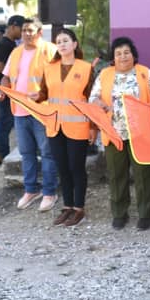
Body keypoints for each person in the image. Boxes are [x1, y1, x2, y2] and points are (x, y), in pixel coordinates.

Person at [91, 36, 150, 230]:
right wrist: (99, 103)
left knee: (144, 175)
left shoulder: (145, 73)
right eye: (118, 53)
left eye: (126, 52)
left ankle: (145, 215)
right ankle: (119, 213)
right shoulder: (104, 74)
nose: (123, 56)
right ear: (113, 57)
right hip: (114, 133)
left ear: (133, 54)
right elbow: (93, 97)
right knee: (116, 175)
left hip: (141, 133)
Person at [36, 28, 95, 227]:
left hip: (78, 127)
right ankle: (67, 206)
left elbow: (92, 101)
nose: (61, 44)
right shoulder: (49, 67)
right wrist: (34, 97)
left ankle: (79, 209)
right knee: (62, 168)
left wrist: (94, 127)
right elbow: (44, 94)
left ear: (75, 44)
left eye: (65, 40)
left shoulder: (86, 68)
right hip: (55, 126)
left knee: (76, 168)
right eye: (58, 41)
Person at [0, 17, 58, 212]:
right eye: (24, 30)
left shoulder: (49, 50)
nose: (26, 33)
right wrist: (3, 89)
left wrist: (44, 94)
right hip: (19, 110)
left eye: (30, 30)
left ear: (39, 33)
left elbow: (59, 79)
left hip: (42, 111)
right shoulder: (16, 52)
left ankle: (49, 192)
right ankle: (30, 189)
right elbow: (6, 76)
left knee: (47, 153)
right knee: (26, 153)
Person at [0, 16, 22, 166]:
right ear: (13, 26)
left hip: (4, 88)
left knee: (5, 121)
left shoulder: (9, 43)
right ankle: (2, 154)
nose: (23, 33)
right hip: (3, 89)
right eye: (22, 29)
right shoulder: (5, 44)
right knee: (5, 121)